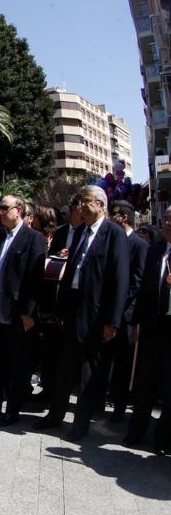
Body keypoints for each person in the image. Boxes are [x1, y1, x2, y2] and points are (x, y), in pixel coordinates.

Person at [34, 185, 128, 440]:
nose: (80, 207)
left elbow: (120, 280)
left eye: (85, 202)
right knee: (64, 366)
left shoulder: (114, 235)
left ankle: (80, 424)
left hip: (96, 313)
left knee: (88, 372)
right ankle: (55, 415)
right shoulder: (80, 232)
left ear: (100, 204)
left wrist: (113, 321)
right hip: (72, 309)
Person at [0, 194, 47, 426]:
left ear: (19, 211)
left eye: (5, 208)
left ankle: (12, 410)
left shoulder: (34, 239)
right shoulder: (0, 238)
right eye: (0, 208)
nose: (1, 211)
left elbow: (35, 279)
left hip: (17, 312)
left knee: (17, 364)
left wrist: (28, 311)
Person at [123, 206, 171, 454]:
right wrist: (135, 322)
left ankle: (163, 438)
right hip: (152, 326)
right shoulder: (156, 250)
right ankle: (136, 431)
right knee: (144, 383)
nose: (167, 224)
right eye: (167, 220)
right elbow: (143, 288)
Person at [102, 200, 147, 422]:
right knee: (102, 361)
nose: (110, 218)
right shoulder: (108, 241)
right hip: (104, 312)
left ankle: (118, 408)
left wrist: (118, 304)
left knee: (121, 365)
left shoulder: (139, 245)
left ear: (124, 218)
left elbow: (137, 283)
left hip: (125, 316)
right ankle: (97, 402)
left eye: (114, 215)